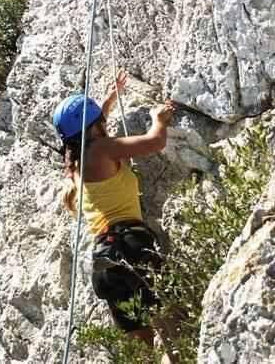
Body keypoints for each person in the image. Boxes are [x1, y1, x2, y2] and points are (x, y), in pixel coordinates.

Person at [52, 71, 177, 361]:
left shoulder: (74, 165)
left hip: (104, 263)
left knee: (141, 351)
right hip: (130, 246)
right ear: (96, 126)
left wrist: (108, 101)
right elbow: (154, 142)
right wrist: (159, 119)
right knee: (172, 325)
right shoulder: (104, 148)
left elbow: (86, 131)